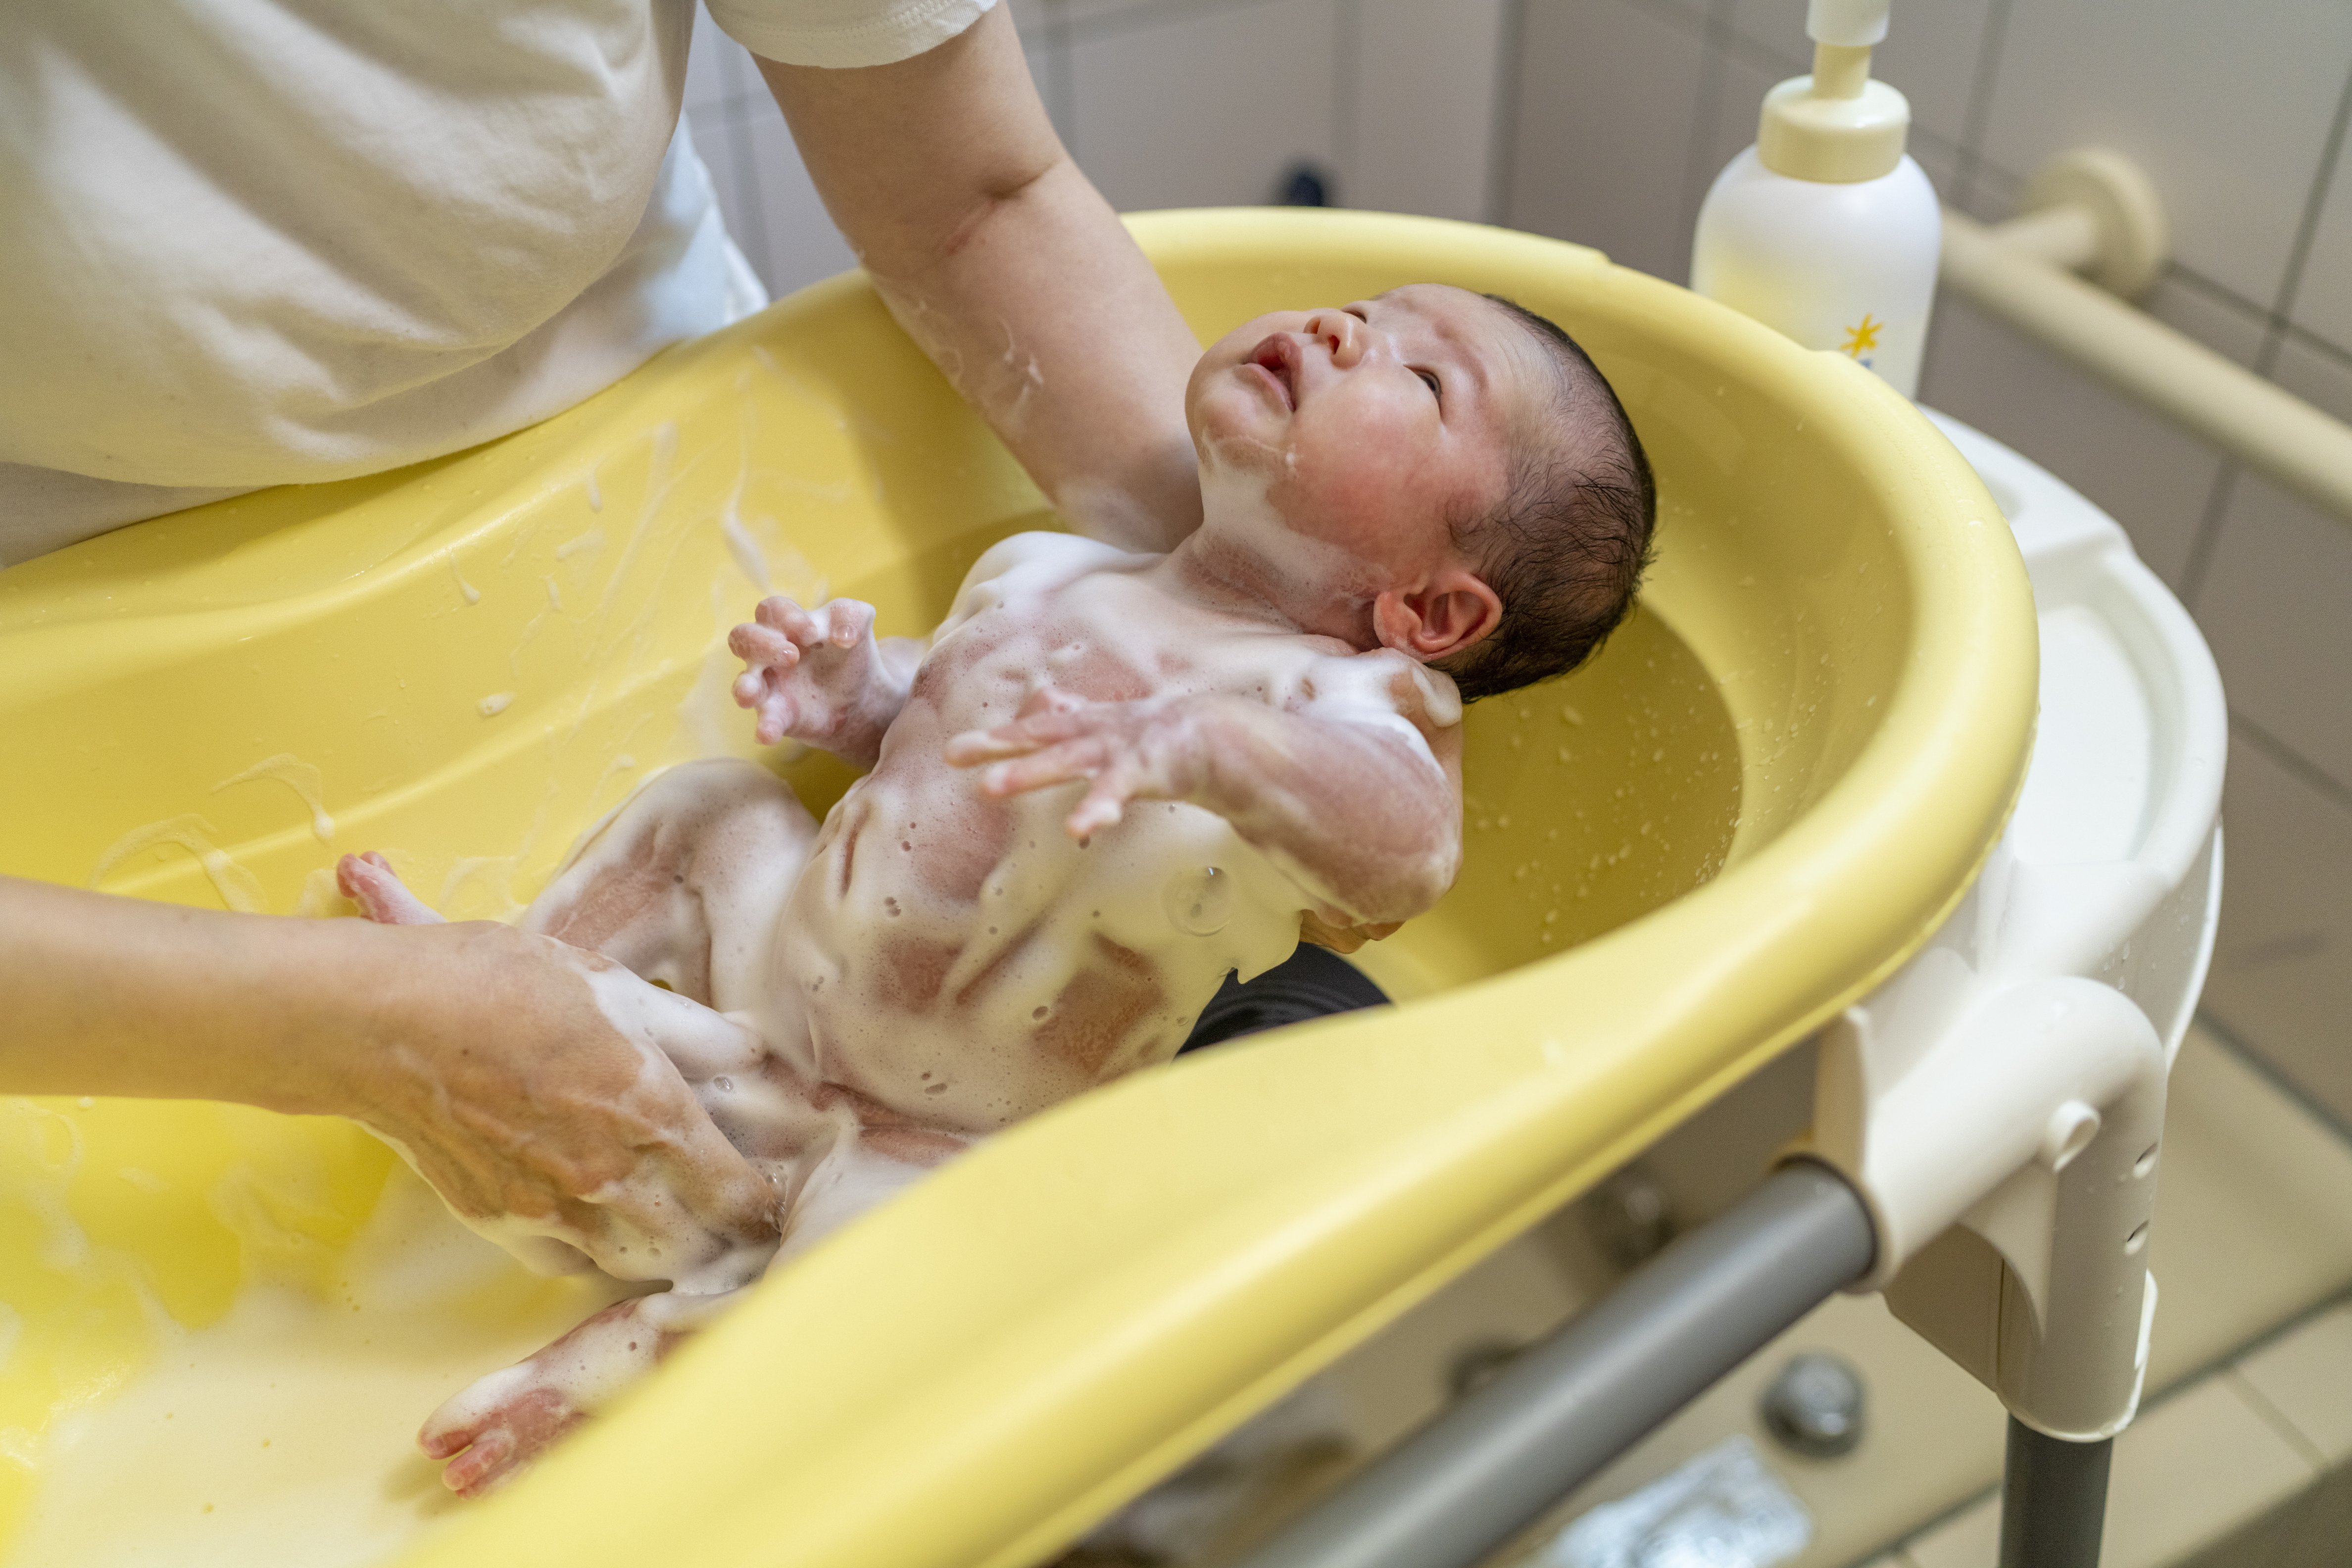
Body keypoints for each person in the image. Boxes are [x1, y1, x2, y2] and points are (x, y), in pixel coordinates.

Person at [328, 283, 1656, 1495]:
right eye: (1367, 309)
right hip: (776, 997)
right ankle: (500, 996)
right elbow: (941, 728)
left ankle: (631, 1375)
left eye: (1427, 382)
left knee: (868, 1292)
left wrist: (1205, 748)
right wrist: (853, 699)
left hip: (943, 1146)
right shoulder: (1048, 572)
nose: (1346, 332)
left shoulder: (1352, 708)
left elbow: (1405, 853)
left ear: (1433, 616)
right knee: (710, 807)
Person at [0, 0, 1209, 1279]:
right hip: (92, 709)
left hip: (675, 498)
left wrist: (1263, 619)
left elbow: (975, 197)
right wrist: (354, 1031)